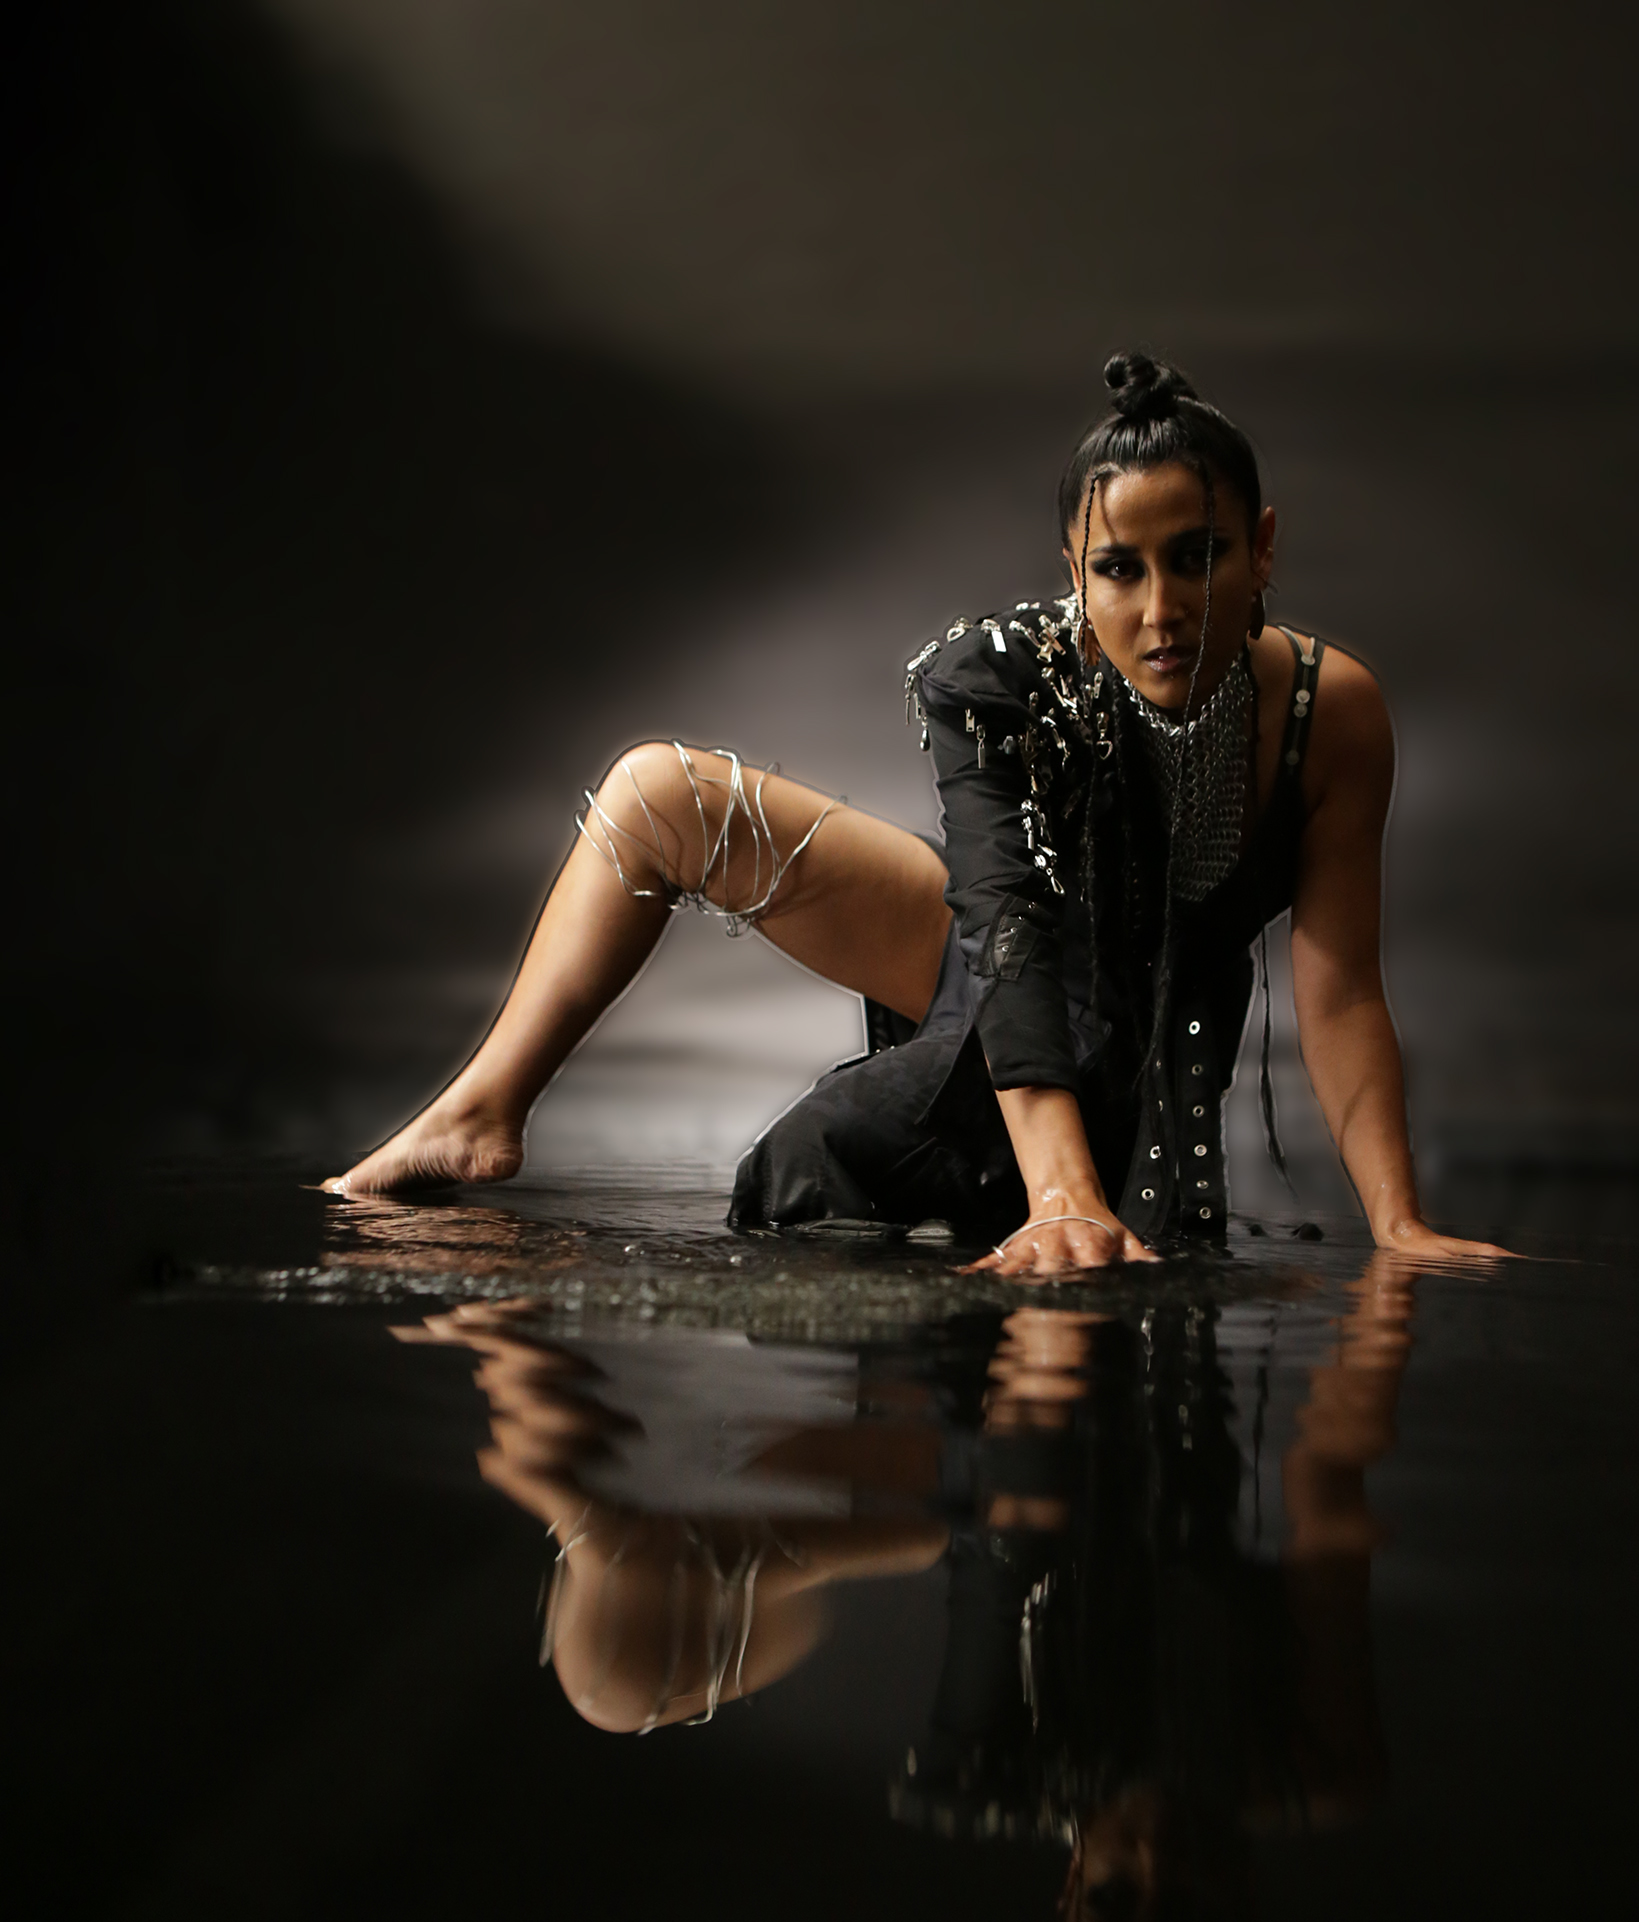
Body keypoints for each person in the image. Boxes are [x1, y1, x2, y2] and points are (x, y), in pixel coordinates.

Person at [327, 353, 1505, 1276]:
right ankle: (483, 1110)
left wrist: (1398, 1224)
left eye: (1194, 557)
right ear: (1072, 567)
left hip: (1113, 1037)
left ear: (1262, 548)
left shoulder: (1330, 712)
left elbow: (1341, 986)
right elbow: (1002, 918)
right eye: (1118, 568)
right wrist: (1057, 1193)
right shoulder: (1003, 676)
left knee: (828, 1156)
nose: (1158, 608)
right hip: (1000, 953)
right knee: (653, 792)